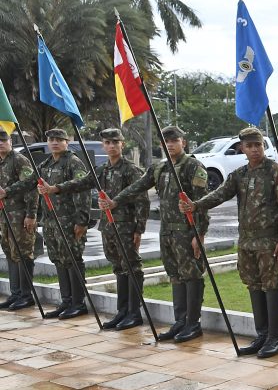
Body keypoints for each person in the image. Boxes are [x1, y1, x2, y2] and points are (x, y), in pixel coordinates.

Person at [181, 127, 278, 358]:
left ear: (263, 146)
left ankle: (275, 337)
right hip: (247, 241)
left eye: (258, 145)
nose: (254, 150)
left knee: (272, 285)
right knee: (253, 285)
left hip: (269, 240)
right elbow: (220, 194)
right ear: (242, 148)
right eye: (249, 146)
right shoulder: (240, 174)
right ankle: (262, 335)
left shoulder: (275, 172)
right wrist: (196, 205)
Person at [101, 126, 209, 342]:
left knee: (192, 275)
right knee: (175, 275)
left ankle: (193, 323)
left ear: (183, 143)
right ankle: (180, 321)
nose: (169, 145)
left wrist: (199, 234)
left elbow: (202, 204)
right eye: (165, 142)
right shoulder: (159, 168)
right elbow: (137, 187)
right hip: (167, 232)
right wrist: (115, 201)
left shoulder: (193, 167)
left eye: (174, 140)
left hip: (186, 233)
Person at [45, 128, 148, 330]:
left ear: (122, 145)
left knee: (132, 267)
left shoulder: (130, 170)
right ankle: (123, 311)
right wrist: (56, 189)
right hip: (108, 226)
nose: (111, 146)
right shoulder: (103, 169)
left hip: (126, 226)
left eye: (115, 142)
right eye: (107, 143)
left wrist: (139, 229)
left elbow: (142, 200)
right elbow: (82, 182)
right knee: (119, 267)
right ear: (103, 146)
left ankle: (134, 313)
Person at [36, 129, 91, 319]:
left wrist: (82, 220)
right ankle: (66, 301)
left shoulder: (73, 162)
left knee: (73, 259)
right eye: (51, 139)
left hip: (68, 220)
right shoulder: (46, 163)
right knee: (58, 259)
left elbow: (82, 187)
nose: (55, 143)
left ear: (67, 142)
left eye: (59, 139)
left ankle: (78, 303)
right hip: (51, 220)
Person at [0, 129, 39, 311]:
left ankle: (26, 295)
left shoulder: (19, 160)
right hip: (4, 215)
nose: (1, 143)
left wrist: (31, 214)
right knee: (10, 253)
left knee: (23, 253)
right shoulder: (1, 161)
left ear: (10, 141)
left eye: (3, 140)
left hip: (20, 214)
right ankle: (15, 294)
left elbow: (32, 185)